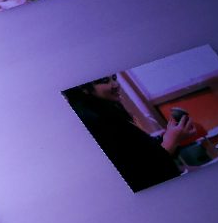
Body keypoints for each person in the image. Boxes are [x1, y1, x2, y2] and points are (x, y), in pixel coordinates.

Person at [63, 74, 191, 192]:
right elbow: (141, 172)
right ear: (83, 88)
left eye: (114, 78)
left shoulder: (106, 110)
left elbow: (137, 152)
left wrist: (165, 138)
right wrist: (171, 141)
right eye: (105, 81)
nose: (115, 84)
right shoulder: (94, 120)